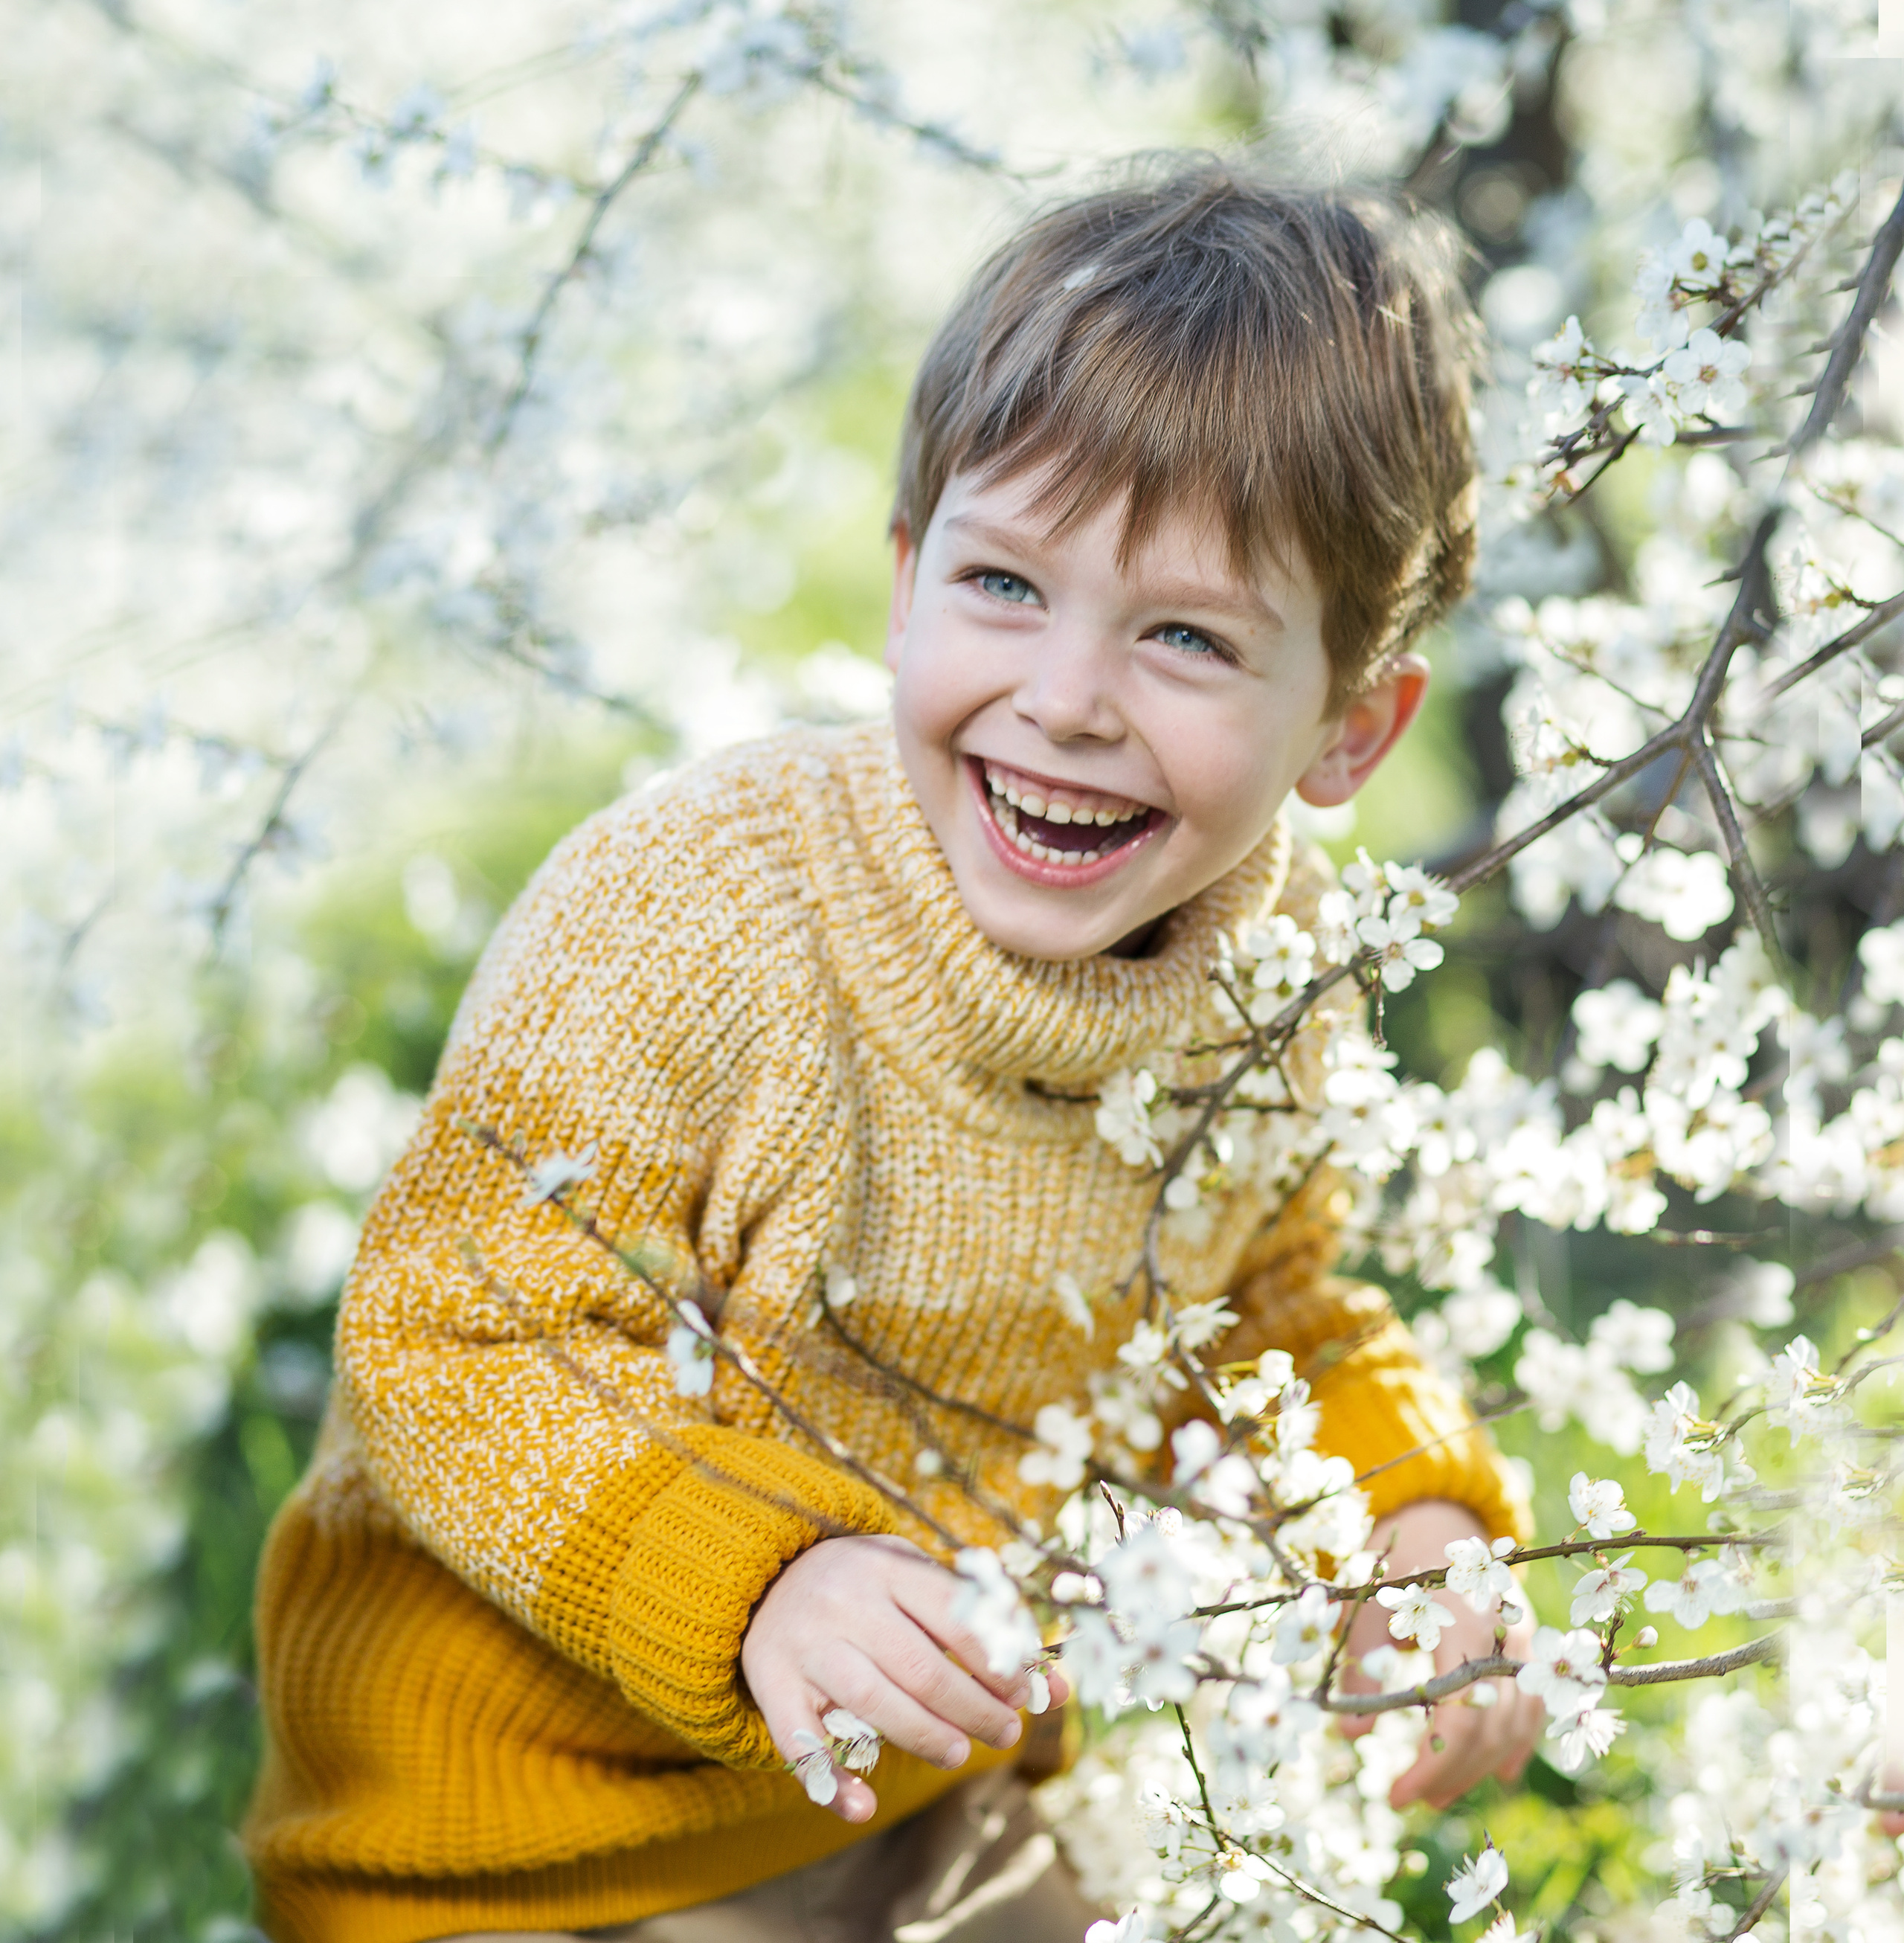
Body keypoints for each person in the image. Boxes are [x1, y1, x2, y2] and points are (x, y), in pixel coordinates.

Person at [244, 158, 1544, 1943]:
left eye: (1182, 635)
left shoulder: (1283, 974)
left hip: (910, 1770)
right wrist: (761, 1575)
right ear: (903, 580)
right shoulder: (695, 913)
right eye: (1003, 586)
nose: (1069, 697)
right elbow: (455, 1338)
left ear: (1348, 726)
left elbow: (1256, 1309)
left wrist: (1402, 1518)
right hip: (530, 1810)